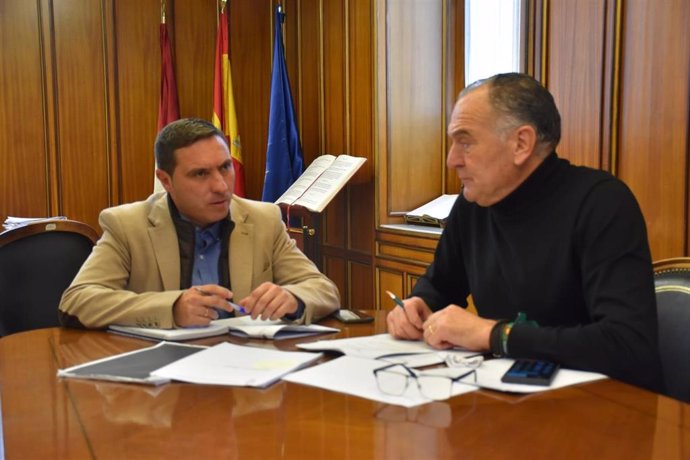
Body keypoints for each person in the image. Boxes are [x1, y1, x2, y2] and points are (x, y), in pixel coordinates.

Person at [387, 73, 663, 392]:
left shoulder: (601, 203)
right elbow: (440, 284)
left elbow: (627, 344)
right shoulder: (473, 206)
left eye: (465, 142)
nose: (452, 160)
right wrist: (417, 304)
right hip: (508, 399)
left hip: (604, 409)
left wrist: (495, 335)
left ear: (521, 143)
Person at [60, 118, 340, 329]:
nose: (220, 186)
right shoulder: (127, 225)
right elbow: (78, 301)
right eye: (200, 174)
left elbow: (323, 289)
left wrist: (293, 298)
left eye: (225, 167)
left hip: (246, 372)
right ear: (166, 180)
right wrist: (172, 308)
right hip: (162, 382)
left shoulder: (263, 219)